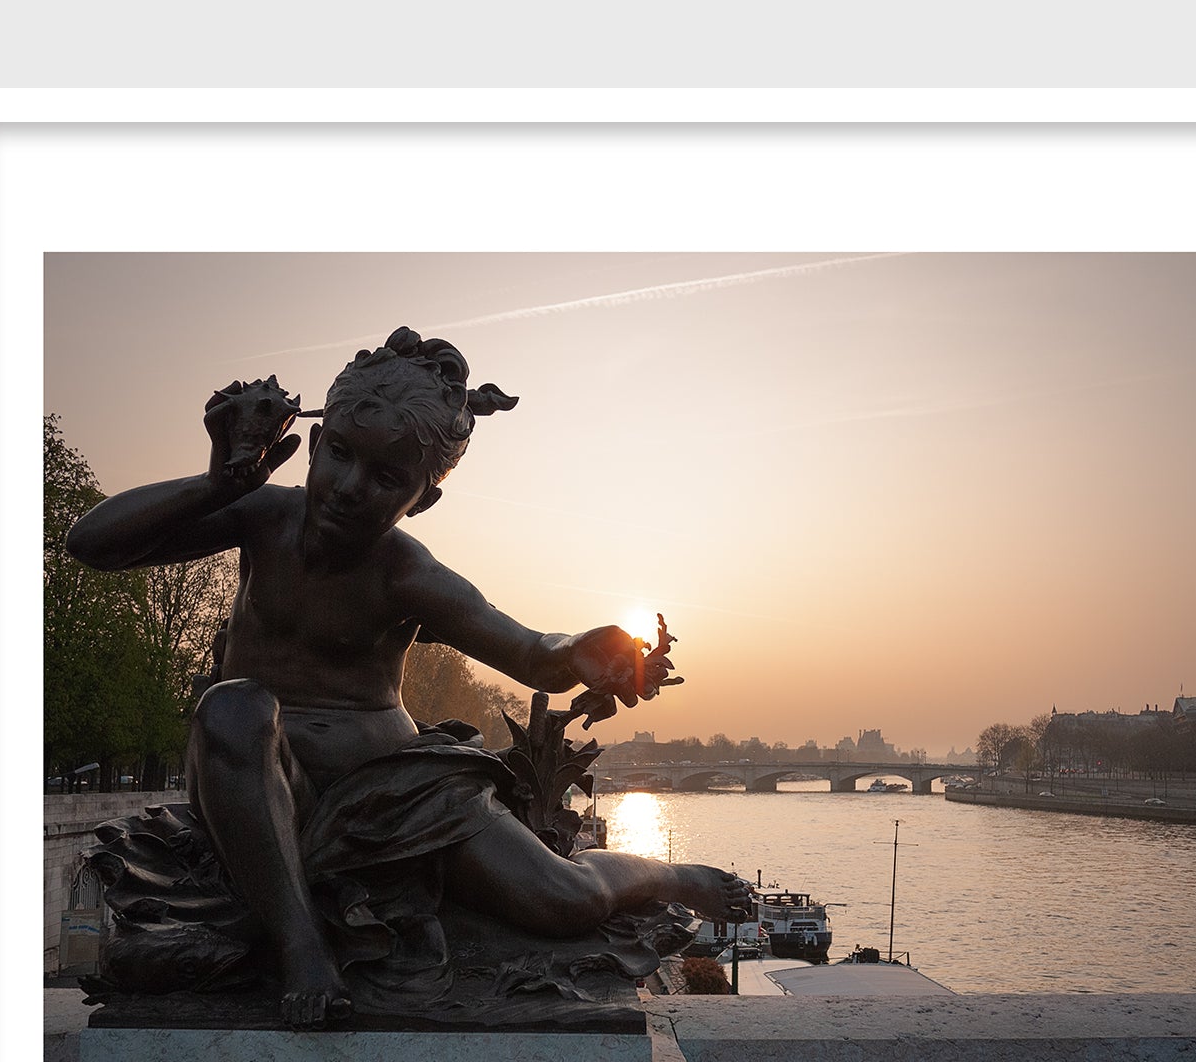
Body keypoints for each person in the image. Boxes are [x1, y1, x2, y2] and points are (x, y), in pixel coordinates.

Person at [66, 326, 752, 1025]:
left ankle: (668, 874)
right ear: (313, 440)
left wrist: (582, 648)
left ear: (422, 499)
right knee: (232, 708)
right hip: (256, 774)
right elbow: (89, 544)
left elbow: (525, 650)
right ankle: (302, 946)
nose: (348, 488)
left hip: (397, 792)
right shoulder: (264, 516)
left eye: (387, 477)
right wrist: (218, 483)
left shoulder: (408, 574)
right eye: (339, 454)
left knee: (563, 899)